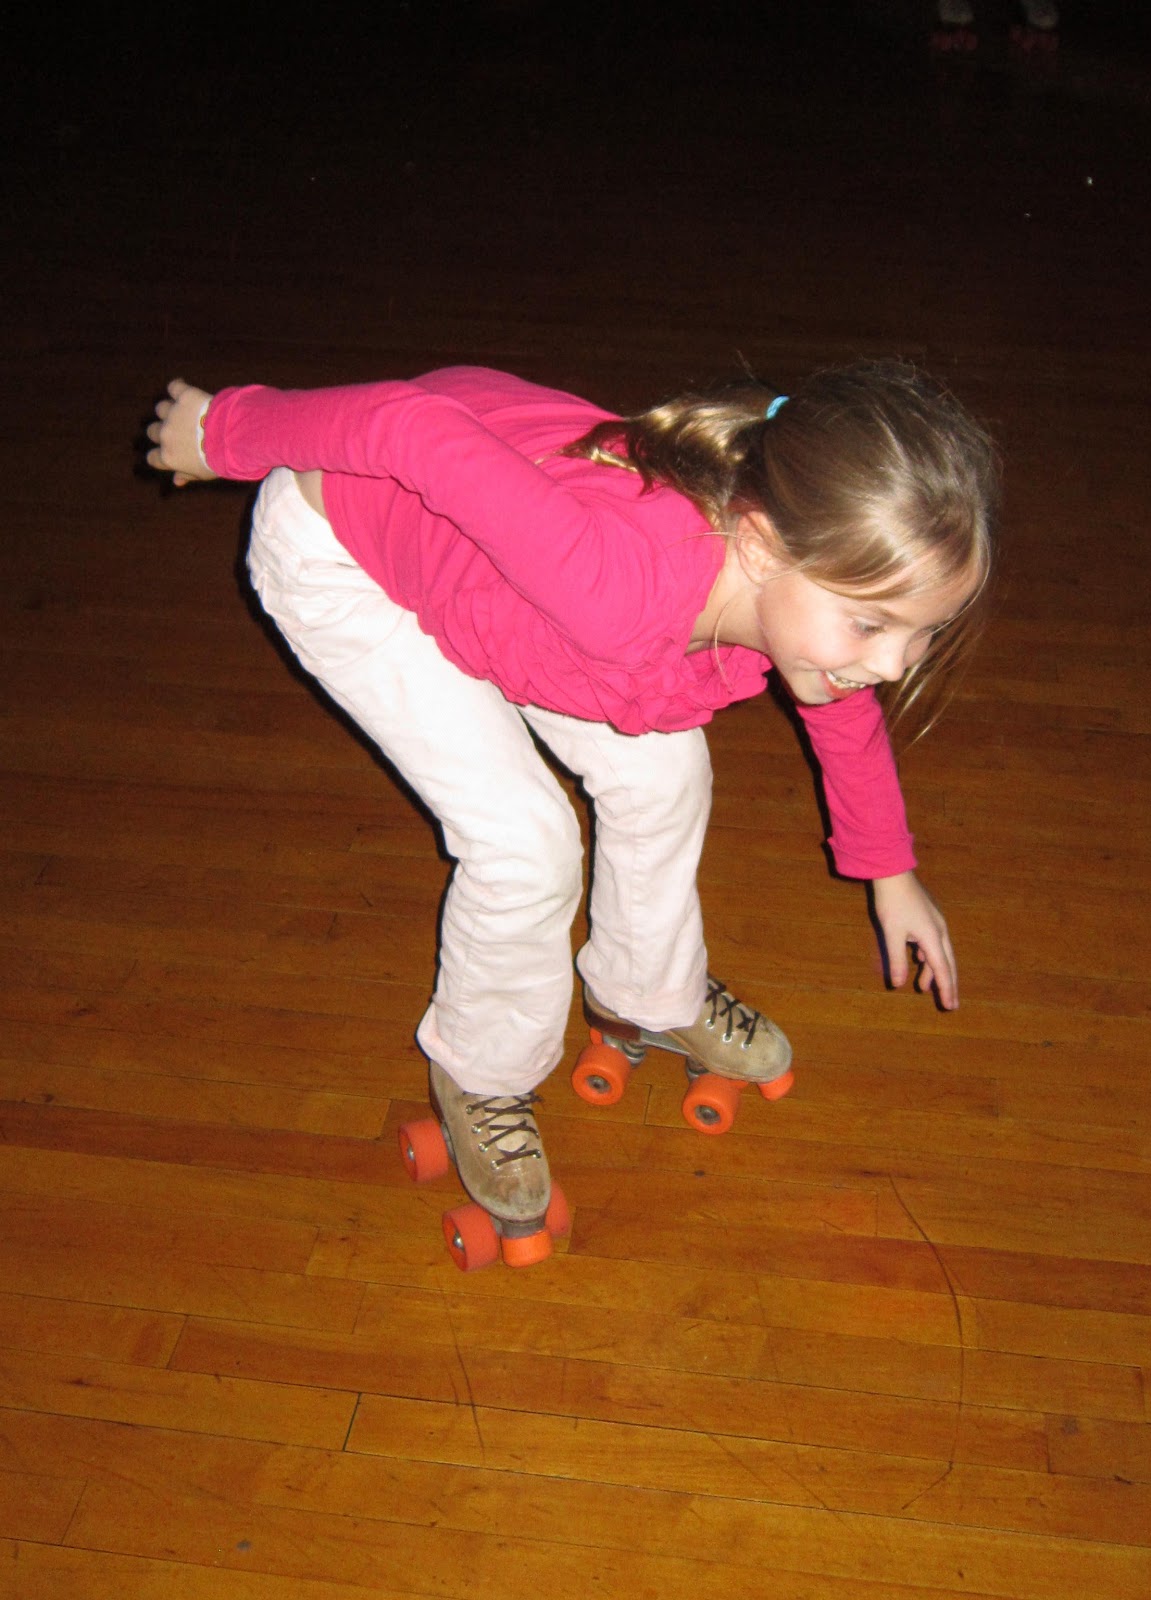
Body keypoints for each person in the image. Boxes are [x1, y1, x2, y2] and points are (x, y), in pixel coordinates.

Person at [146, 361, 998, 1266]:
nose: (897, 663)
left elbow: (845, 712)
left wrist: (890, 871)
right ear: (757, 548)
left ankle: (646, 991)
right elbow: (406, 429)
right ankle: (481, 1073)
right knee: (525, 845)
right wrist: (223, 432)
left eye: (922, 631)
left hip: (516, 581)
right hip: (347, 552)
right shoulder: (618, 585)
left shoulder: (771, 589)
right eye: (871, 625)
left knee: (666, 774)